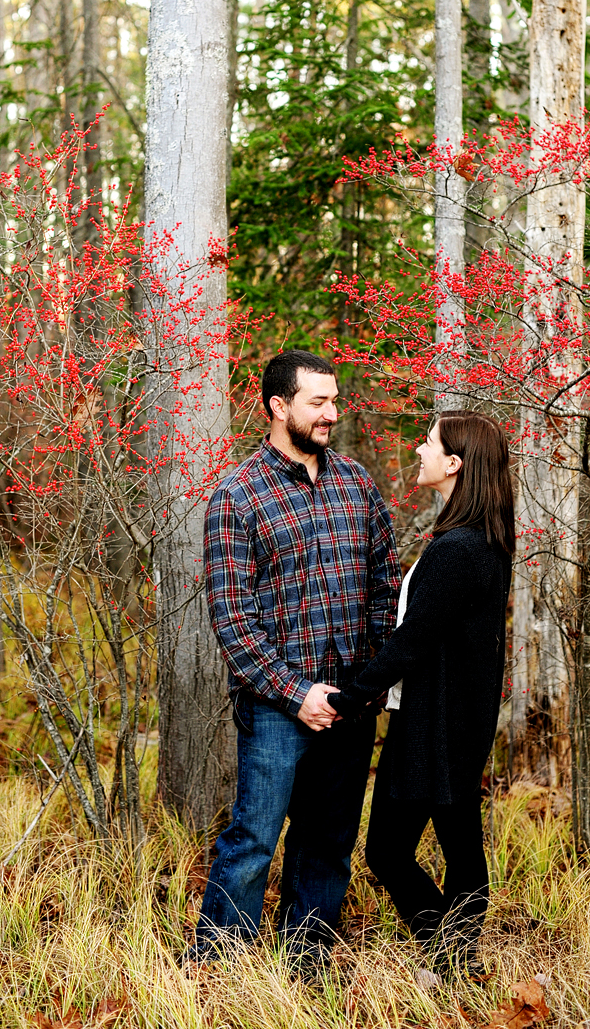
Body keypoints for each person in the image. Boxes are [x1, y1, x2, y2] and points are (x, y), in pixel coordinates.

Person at [192, 349, 402, 964]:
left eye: (334, 400)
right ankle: (220, 970)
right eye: (317, 402)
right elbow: (232, 618)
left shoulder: (357, 484)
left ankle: (303, 961)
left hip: (352, 701)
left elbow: (384, 584)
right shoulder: (238, 497)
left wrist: (366, 680)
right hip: (276, 707)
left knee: (331, 840)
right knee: (255, 838)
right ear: (278, 407)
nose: (331, 413)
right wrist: (295, 693)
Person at [327, 411, 514, 980]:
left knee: (395, 850)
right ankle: (455, 961)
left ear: (454, 463)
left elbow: (412, 642)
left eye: (428, 442)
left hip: (439, 722)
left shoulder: (460, 548)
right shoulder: (476, 539)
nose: (418, 449)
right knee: (452, 842)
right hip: (447, 715)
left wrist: (348, 697)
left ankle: (453, 959)